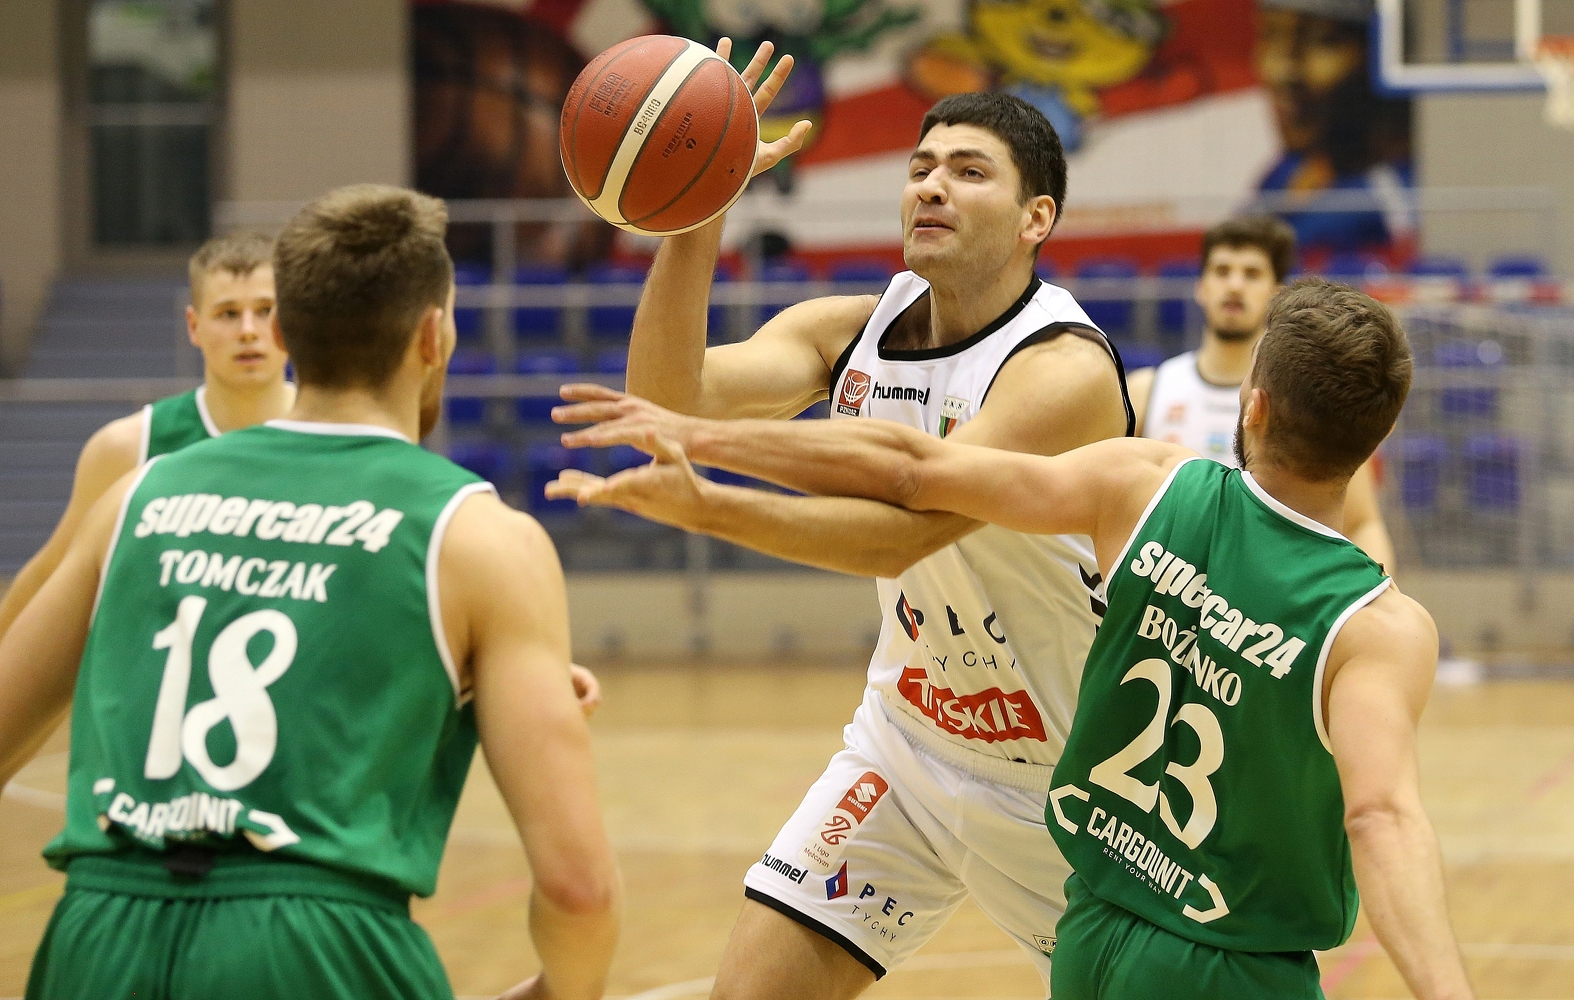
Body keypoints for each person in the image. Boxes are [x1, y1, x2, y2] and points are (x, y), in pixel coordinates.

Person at [548, 277, 1475, 1000]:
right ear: (1378, 440)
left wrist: (700, 448)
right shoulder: (1378, 628)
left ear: (1254, 405)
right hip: (1229, 958)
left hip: (1096, 928)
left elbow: (914, 469)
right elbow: (1380, 818)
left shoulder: (1150, 488)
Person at [0, 184, 620, 1000]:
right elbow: (579, 891)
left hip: (96, 937)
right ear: (432, 335)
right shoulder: (479, 537)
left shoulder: (136, 495)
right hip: (318, 947)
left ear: (286, 333)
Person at [620, 38, 1130, 997]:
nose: (931, 185)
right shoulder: (849, 330)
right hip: (906, 748)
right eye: (921, 167)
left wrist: (710, 505)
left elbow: (907, 524)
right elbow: (665, 400)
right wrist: (701, 206)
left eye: (969, 171)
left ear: (1037, 218)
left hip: (1067, 787)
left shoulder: (1063, 370)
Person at [0, 232, 294, 641]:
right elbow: (49, 575)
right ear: (193, 326)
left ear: (294, 321)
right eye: (228, 313)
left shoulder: (335, 432)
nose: (248, 330)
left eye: (265, 311)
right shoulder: (126, 448)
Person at [1127, 215, 1396, 569]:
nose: (1234, 285)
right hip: (1162, 588)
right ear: (1201, 287)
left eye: (1252, 274)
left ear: (1276, 294)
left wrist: (1379, 593)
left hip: (1268, 593)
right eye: (1222, 271)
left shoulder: (1308, 398)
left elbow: (1363, 524)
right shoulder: (1147, 389)